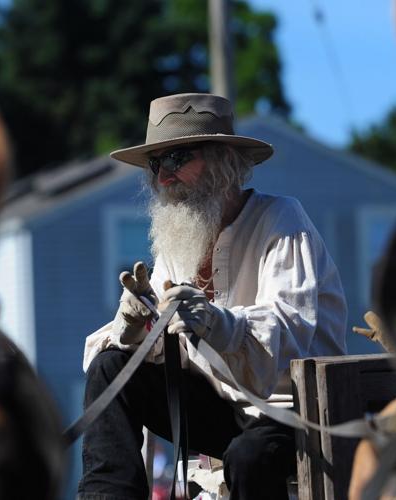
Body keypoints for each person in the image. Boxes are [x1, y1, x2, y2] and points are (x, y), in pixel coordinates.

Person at [78, 93, 348, 500]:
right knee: (110, 366)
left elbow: (290, 333)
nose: (164, 177)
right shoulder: (177, 243)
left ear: (223, 160)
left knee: (248, 456)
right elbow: (167, 347)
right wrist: (133, 328)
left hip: (295, 413)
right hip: (224, 408)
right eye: (156, 164)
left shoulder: (282, 220)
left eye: (177, 158)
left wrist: (218, 322)